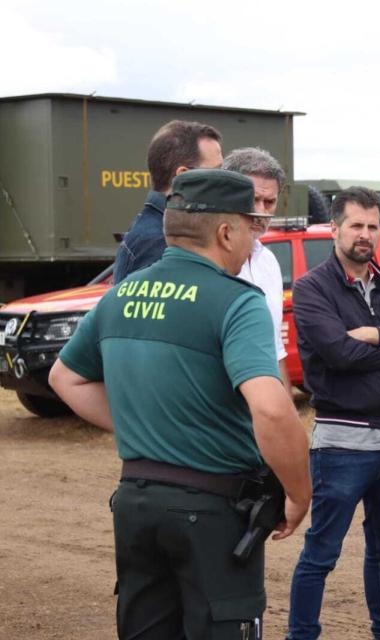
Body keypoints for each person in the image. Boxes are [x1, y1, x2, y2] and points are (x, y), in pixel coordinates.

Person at [48, 169, 312, 639]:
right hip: (212, 511)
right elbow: (272, 408)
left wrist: (143, 428)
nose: (255, 239)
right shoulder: (237, 302)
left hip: (136, 504)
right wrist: (298, 492)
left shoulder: (119, 295)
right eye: (251, 227)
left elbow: (64, 377)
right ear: (226, 232)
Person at [287, 186, 380, 640]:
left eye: (373, 226)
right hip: (342, 444)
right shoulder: (312, 289)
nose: (365, 234)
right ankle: (301, 635)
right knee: (321, 552)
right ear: (334, 229)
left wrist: (373, 334)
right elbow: (338, 354)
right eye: (356, 225)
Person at [114, 120, 223, 283]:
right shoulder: (158, 242)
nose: (223, 181)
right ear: (183, 177)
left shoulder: (158, 232)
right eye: (217, 172)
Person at [223, 146, 291, 391]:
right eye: (253, 200)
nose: (261, 211)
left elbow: (275, 350)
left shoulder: (268, 261)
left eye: (269, 202)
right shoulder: (207, 261)